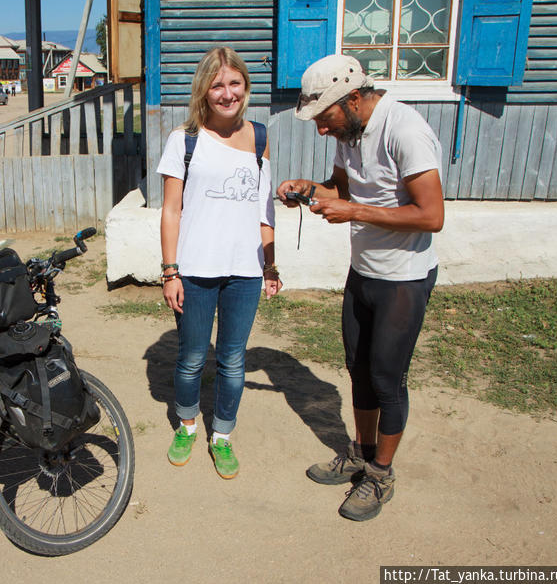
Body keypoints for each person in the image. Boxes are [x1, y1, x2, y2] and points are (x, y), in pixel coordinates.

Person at [277, 54, 444, 521]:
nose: (321, 131)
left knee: (388, 380)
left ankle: (380, 475)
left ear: (352, 99)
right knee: (358, 369)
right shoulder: (350, 131)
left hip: (404, 278)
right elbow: (342, 190)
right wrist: (308, 190)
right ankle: (361, 452)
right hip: (364, 272)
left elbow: (432, 216)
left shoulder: (404, 131)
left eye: (324, 119)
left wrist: (355, 213)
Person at [157, 46, 282, 480]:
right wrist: (170, 271)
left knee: (232, 359)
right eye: (217, 85)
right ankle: (188, 425)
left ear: (245, 86)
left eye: (234, 83)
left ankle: (222, 435)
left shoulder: (261, 137)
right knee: (192, 357)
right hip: (193, 269)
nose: (227, 93)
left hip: (245, 272)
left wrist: (270, 266)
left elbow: (264, 208)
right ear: (204, 90)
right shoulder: (184, 139)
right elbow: (171, 210)